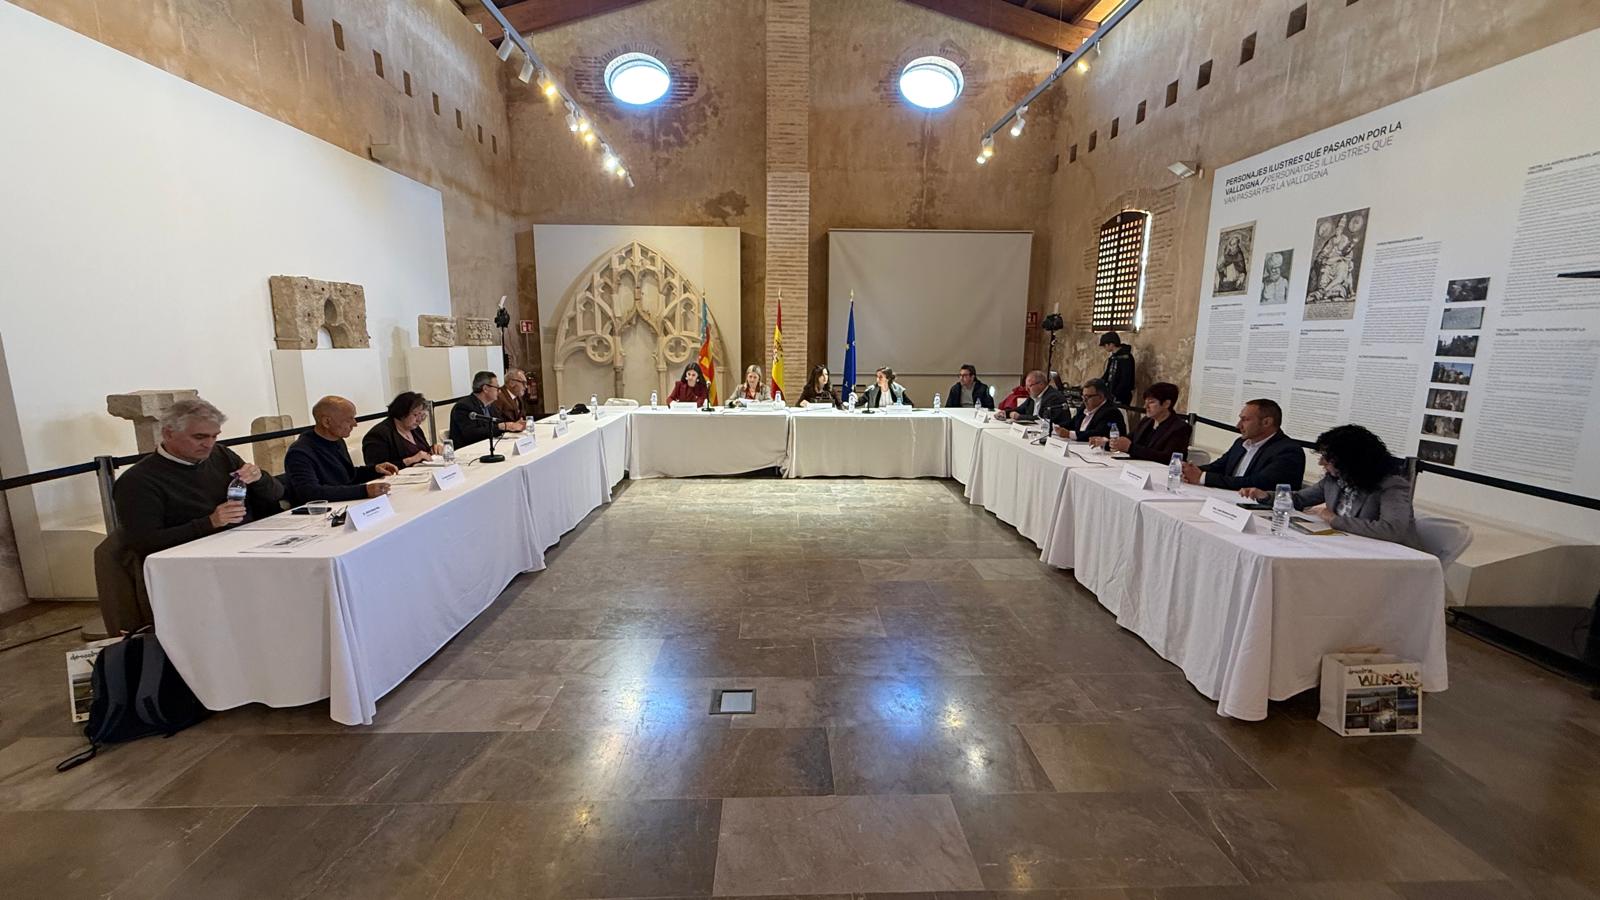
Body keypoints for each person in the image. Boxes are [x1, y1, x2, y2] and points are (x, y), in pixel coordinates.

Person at [104, 397, 284, 631]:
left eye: (214, 436)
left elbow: (276, 494)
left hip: (242, 550)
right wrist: (209, 522)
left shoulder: (221, 456)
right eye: (199, 437)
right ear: (168, 434)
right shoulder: (138, 481)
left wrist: (260, 478)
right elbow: (144, 542)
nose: (209, 444)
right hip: (192, 571)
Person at [1241, 424, 1422, 549]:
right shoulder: (1334, 479)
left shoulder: (1391, 485)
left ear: (1350, 460)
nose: (1321, 462)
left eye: (1327, 458)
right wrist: (1265, 496)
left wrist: (1333, 519)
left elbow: (1392, 530)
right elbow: (1299, 499)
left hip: (1390, 559)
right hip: (1346, 546)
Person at [285, 396, 399, 503]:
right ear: (327, 422)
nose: (355, 424)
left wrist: (374, 470)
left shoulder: (338, 441)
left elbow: (348, 476)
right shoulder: (300, 452)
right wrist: (364, 491)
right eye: (349, 419)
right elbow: (310, 492)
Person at [1181, 398, 1305, 491]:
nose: (1238, 425)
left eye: (1245, 420)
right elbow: (1219, 466)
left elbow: (1258, 483)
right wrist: (1189, 470)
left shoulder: (1289, 451)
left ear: (1266, 422)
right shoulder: (1241, 442)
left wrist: (1203, 477)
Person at [1096, 381, 1191, 462]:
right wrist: (1108, 442)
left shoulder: (1180, 428)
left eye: (1151, 402)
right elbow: (1129, 439)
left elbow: (1168, 458)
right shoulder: (1146, 421)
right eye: (1145, 402)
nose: (1145, 407)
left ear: (1166, 404)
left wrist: (1131, 448)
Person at [363, 391, 443, 470]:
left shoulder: (415, 429)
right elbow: (378, 469)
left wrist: (433, 449)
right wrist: (411, 460)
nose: (419, 420)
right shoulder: (378, 435)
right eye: (415, 415)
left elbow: (422, 451)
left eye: (422, 415)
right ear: (401, 412)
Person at [450, 370, 525, 446]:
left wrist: (512, 426)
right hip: (469, 451)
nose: (499, 392)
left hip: (489, 446)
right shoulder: (463, 407)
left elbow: (499, 424)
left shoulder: (491, 406)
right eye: (497, 388)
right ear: (485, 389)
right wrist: (501, 426)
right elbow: (471, 434)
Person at [1055, 378, 1125, 442]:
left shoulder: (1111, 412)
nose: (1084, 400)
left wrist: (1069, 434)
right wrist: (1056, 427)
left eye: (1088, 397)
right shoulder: (1083, 408)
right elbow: (1071, 423)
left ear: (1100, 397)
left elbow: (1098, 433)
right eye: (1083, 396)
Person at [1099, 332, 1136, 406]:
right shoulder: (1113, 357)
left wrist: (1116, 394)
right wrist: (1097, 384)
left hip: (1122, 395)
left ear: (1111, 344)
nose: (1104, 348)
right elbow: (1107, 374)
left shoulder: (1126, 358)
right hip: (1111, 392)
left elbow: (1125, 379)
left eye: (1105, 345)